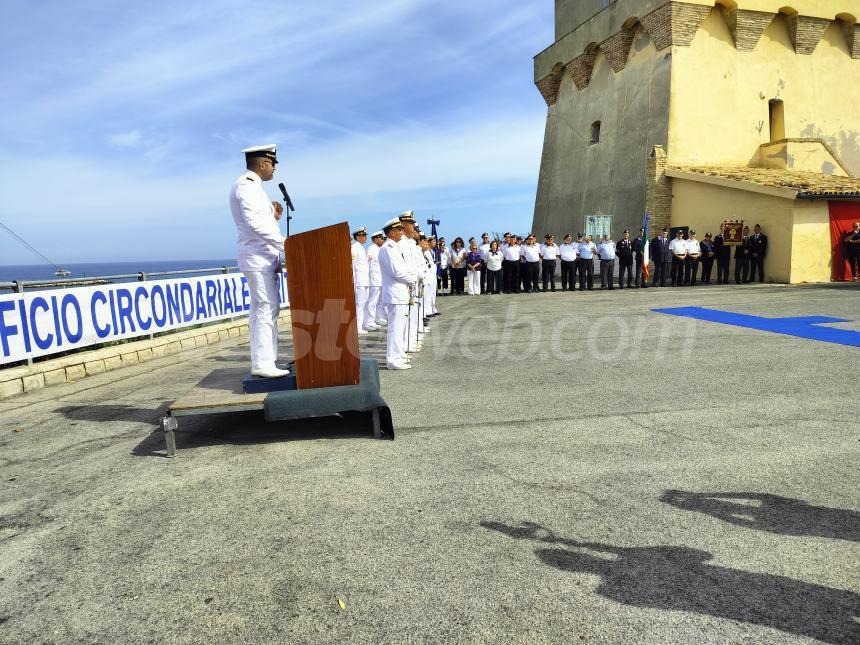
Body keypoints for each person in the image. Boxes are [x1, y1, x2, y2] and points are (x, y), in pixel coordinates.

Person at [229, 144, 288, 378]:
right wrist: (287, 245)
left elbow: (262, 222)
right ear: (262, 164)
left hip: (263, 258)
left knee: (264, 310)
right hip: (257, 259)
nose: (274, 169)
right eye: (273, 164)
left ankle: (266, 360)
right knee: (265, 309)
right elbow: (255, 224)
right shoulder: (246, 185)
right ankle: (263, 363)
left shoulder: (255, 187)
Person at [378, 218, 416, 369]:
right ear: (392, 233)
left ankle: (398, 355)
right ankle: (393, 360)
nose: (402, 232)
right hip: (395, 294)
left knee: (400, 327)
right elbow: (397, 272)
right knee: (395, 328)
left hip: (399, 293)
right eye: (399, 230)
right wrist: (413, 278)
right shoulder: (388, 248)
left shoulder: (395, 247)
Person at [350, 226, 371, 334]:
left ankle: (362, 324)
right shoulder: (354, 248)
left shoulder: (362, 248)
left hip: (365, 280)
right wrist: (354, 282)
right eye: (363, 236)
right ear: (357, 237)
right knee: (359, 304)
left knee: (364, 303)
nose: (365, 238)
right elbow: (353, 266)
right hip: (359, 282)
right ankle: (357, 326)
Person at [366, 231, 386, 328]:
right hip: (374, 279)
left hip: (380, 279)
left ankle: (379, 317)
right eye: (381, 238)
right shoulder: (371, 249)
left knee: (380, 301)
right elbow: (369, 265)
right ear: (375, 239)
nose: (382, 240)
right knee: (372, 301)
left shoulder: (379, 249)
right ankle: (370, 320)